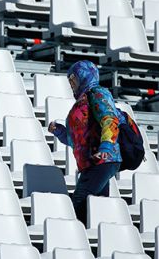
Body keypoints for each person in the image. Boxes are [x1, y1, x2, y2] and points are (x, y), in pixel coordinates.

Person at [48, 60, 122, 225]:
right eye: (70, 80)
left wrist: (106, 145)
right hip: (92, 162)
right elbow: (77, 140)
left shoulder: (97, 93)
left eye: (73, 78)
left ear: (84, 76)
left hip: (102, 159)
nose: (71, 83)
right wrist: (60, 131)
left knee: (79, 202)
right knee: (96, 207)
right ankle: (95, 242)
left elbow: (110, 119)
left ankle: (75, 239)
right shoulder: (82, 101)